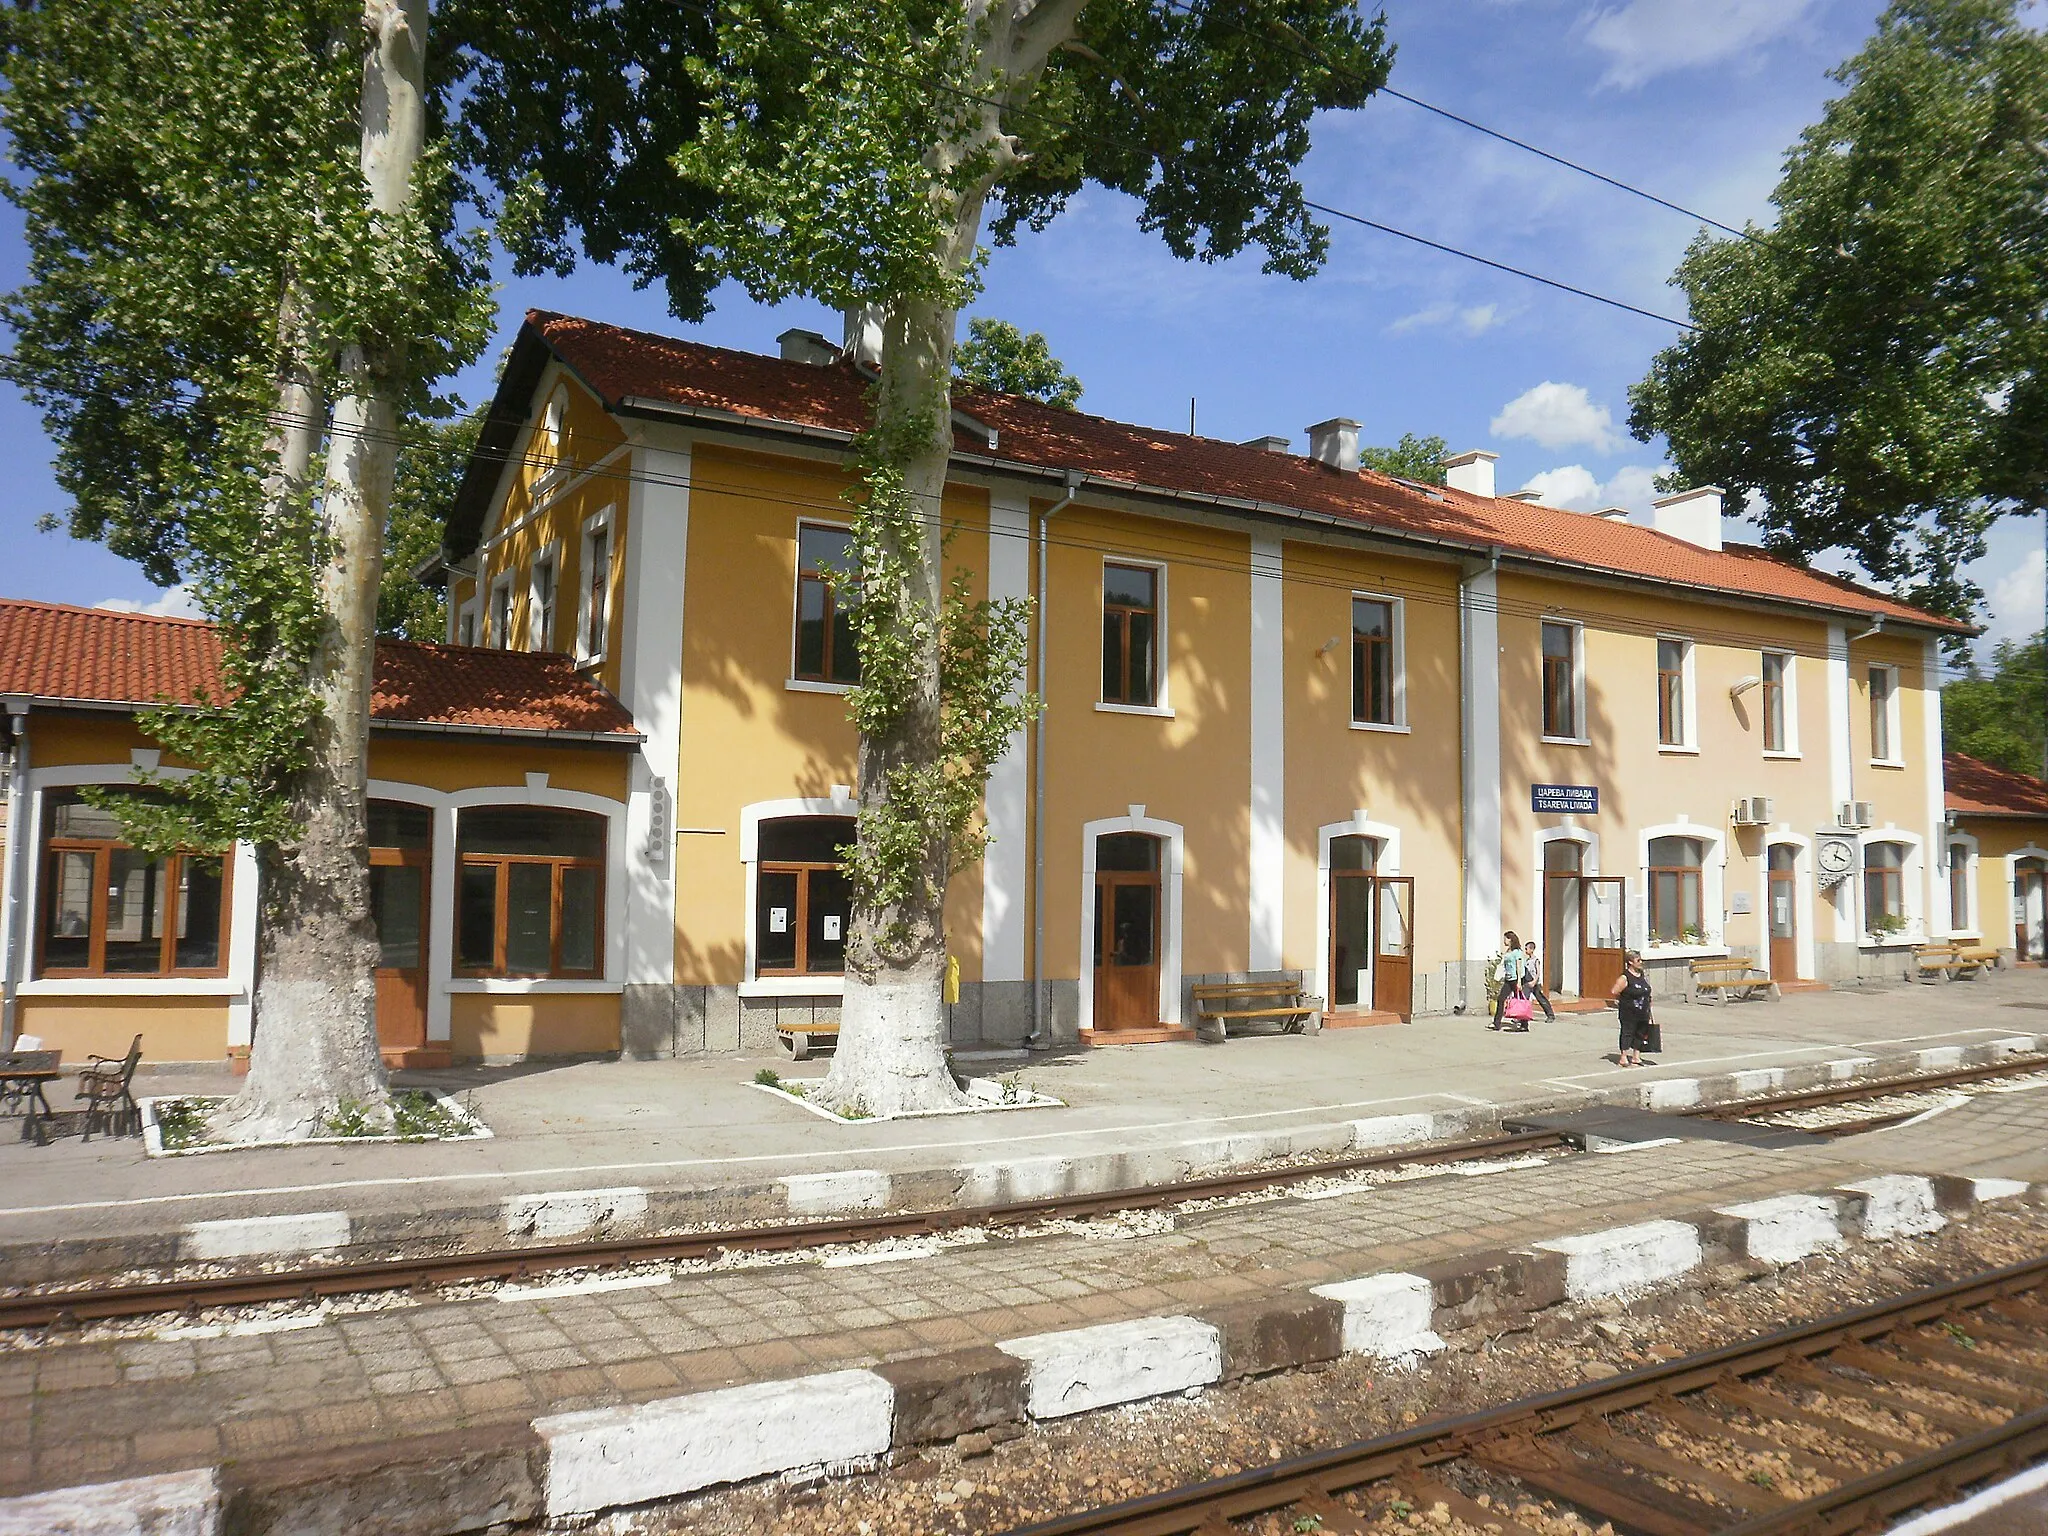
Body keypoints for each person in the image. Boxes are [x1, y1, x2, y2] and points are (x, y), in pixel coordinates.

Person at [1609, 949, 1655, 1066]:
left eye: (1641, 960)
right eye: (1638, 960)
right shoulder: (1625, 977)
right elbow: (1615, 990)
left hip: (1643, 1011)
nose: (1641, 962)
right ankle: (1623, 1057)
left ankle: (1636, 1056)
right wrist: (1623, 999)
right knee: (1627, 1033)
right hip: (1629, 1012)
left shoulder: (1641, 975)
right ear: (1630, 962)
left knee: (1640, 1033)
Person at [1490, 931, 1526, 1031]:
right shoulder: (1508, 951)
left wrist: (1519, 981)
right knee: (1501, 999)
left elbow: (1518, 966)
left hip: (1515, 979)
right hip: (1508, 979)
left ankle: (1524, 1024)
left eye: (1505, 938)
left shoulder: (1517, 952)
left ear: (1510, 939)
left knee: (1520, 1000)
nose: (1504, 941)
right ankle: (1496, 1023)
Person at [1522, 940, 1556, 1023]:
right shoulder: (1527, 961)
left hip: (1534, 983)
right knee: (1524, 999)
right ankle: (1521, 1017)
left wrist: (1535, 981)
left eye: (1527, 949)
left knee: (1541, 999)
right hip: (1527, 982)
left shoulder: (1535, 960)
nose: (1526, 951)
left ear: (1532, 949)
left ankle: (1550, 1015)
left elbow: (1538, 972)